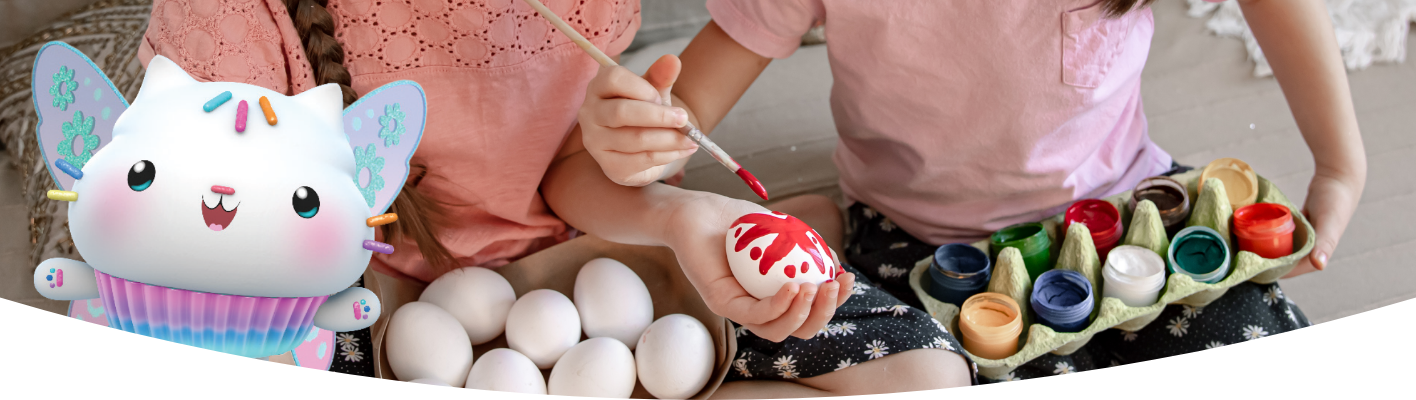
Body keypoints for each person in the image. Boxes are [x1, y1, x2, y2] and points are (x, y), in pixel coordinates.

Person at [139, 0, 971, 395]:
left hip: (587, 263)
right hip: (361, 302)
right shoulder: (234, 17)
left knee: (927, 371)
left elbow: (570, 171)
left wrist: (678, 214)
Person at [578, 0, 1366, 384]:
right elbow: (631, 149)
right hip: (915, 247)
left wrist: (1339, 163)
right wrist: (630, 139)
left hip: (1130, 224)